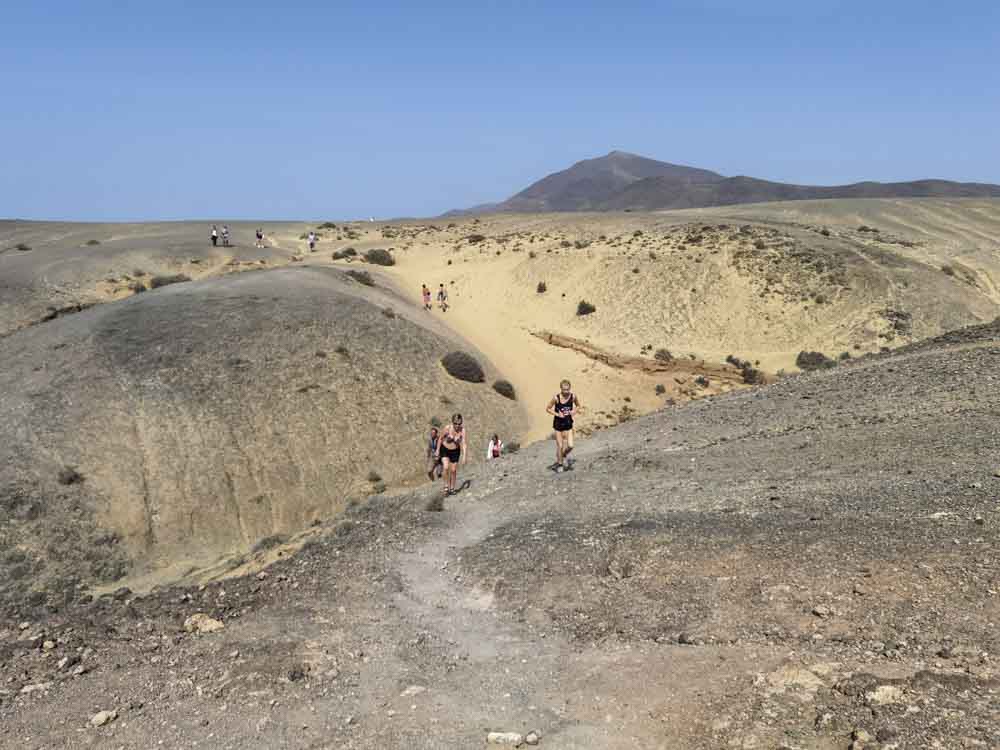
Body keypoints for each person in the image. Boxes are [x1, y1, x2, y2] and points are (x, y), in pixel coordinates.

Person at [546, 379, 580, 472]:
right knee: (560, 446)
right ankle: (560, 464)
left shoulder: (573, 397)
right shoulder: (556, 398)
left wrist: (574, 411)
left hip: (568, 424)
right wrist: (557, 414)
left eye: (568, 389)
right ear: (561, 389)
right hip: (558, 425)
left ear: (570, 388)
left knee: (571, 446)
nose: (566, 392)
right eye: (564, 390)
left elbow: (578, 406)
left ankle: (563, 455)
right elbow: (548, 408)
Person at [436, 413, 467, 495]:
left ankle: (452, 488)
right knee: (446, 467)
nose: (457, 425)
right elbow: (440, 438)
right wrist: (437, 450)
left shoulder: (462, 430)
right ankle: (446, 486)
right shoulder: (447, 428)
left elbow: (463, 443)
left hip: (455, 451)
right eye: (455, 423)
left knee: (453, 470)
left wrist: (464, 456)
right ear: (452, 422)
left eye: (459, 423)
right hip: (445, 449)